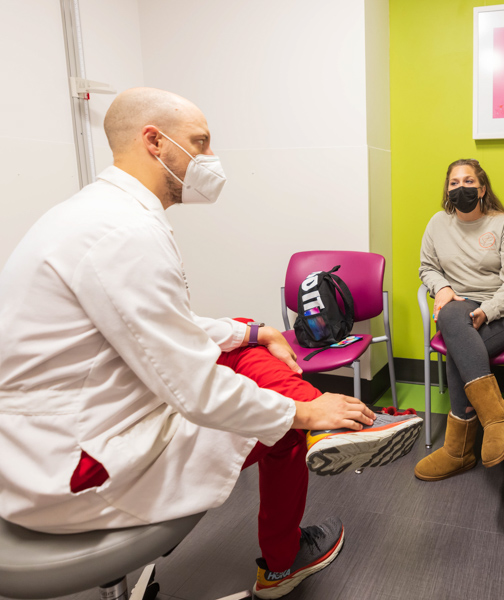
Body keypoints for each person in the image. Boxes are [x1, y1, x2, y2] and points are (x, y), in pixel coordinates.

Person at [0, 87, 420, 599]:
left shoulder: (94, 214)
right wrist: (304, 413)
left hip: (49, 439)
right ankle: (284, 561)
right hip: (77, 472)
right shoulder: (123, 233)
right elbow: (194, 387)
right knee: (282, 424)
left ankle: (319, 423)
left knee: (248, 342)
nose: (209, 159)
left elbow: (162, 327)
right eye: (199, 143)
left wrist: (253, 330)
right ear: (154, 141)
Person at [414, 159, 504, 481]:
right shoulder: (437, 224)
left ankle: (459, 450)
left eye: (468, 181)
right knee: (453, 316)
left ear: (482, 189)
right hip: (463, 306)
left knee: (459, 345)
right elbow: (427, 267)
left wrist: (488, 311)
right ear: (447, 190)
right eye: (454, 183)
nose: (461, 188)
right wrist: (441, 288)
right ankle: (497, 417)